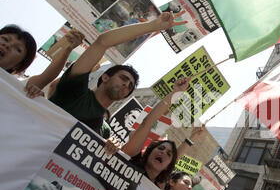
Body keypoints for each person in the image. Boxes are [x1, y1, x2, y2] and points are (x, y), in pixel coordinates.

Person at [47, 11, 187, 138]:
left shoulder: (105, 132)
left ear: (125, 96)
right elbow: (102, 42)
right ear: (105, 77)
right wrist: (152, 26)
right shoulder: (75, 90)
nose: (126, 84)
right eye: (123, 78)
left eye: (130, 86)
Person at [24, 28, 85, 99]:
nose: (8, 46)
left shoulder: (24, 87)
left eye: (18, 49)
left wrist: (67, 48)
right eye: (7, 40)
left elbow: (46, 77)